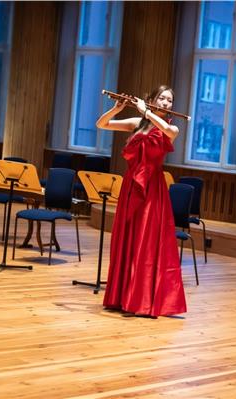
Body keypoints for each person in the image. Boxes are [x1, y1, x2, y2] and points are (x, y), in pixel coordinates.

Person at [96, 85, 187, 318]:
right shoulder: (137, 123)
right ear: (153, 99)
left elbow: (165, 128)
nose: (166, 103)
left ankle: (143, 299)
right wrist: (116, 109)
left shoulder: (172, 127)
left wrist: (147, 112)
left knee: (145, 241)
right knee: (128, 238)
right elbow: (101, 125)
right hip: (131, 186)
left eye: (169, 100)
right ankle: (122, 296)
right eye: (162, 99)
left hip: (152, 190)